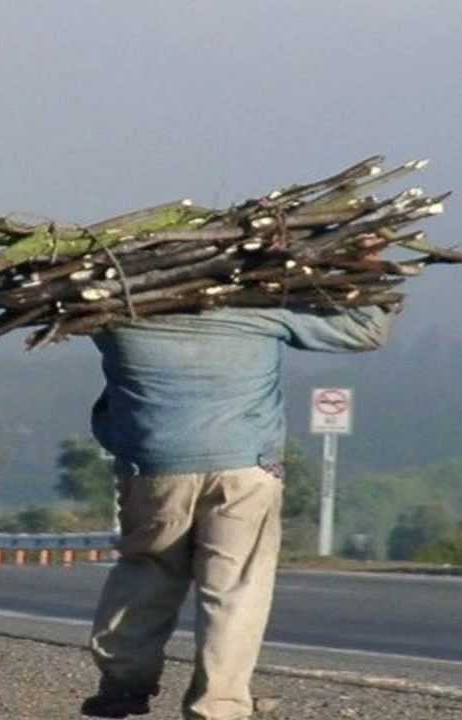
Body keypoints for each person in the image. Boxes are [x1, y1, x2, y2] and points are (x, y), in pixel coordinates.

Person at [80, 300, 397, 720]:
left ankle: (124, 684)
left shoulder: (116, 317)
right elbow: (364, 331)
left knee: (147, 570)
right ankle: (219, 706)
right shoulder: (259, 309)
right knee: (234, 588)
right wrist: (372, 274)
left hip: (154, 466)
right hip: (246, 468)